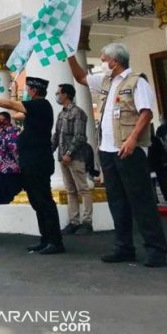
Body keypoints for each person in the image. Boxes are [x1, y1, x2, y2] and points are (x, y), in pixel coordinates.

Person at [69, 43, 167, 267]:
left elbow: (146, 113)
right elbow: (80, 77)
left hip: (128, 150)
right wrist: (69, 54)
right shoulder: (105, 82)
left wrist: (133, 139)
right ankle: (124, 247)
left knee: (141, 200)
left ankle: (156, 249)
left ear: (115, 61)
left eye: (104, 59)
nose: (101, 63)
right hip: (108, 151)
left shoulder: (136, 82)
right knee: (117, 201)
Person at [0, 77, 65, 255]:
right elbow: (17, 114)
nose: (27, 91)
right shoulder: (34, 108)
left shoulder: (41, 105)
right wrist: (14, 93)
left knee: (43, 200)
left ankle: (55, 241)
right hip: (30, 161)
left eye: (28, 88)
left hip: (38, 161)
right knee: (36, 201)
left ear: (33, 91)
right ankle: (45, 238)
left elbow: (11, 106)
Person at [52, 83, 93, 235]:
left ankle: (87, 221)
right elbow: (56, 135)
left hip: (75, 157)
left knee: (83, 188)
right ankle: (74, 221)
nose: (57, 96)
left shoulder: (78, 113)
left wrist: (69, 152)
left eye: (59, 93)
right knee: (70, 190)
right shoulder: (61, 114)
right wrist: (51, 149)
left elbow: (79, 136)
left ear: (66, 95)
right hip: (63, 157)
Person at [0, 112, 22, 204]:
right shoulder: (0, 132)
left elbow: (14, 147)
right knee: (4, 195)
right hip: (1, 168)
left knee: (13, 194)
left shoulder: (14, 131)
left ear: (7, 120)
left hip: (12, 169)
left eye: (0, 119)